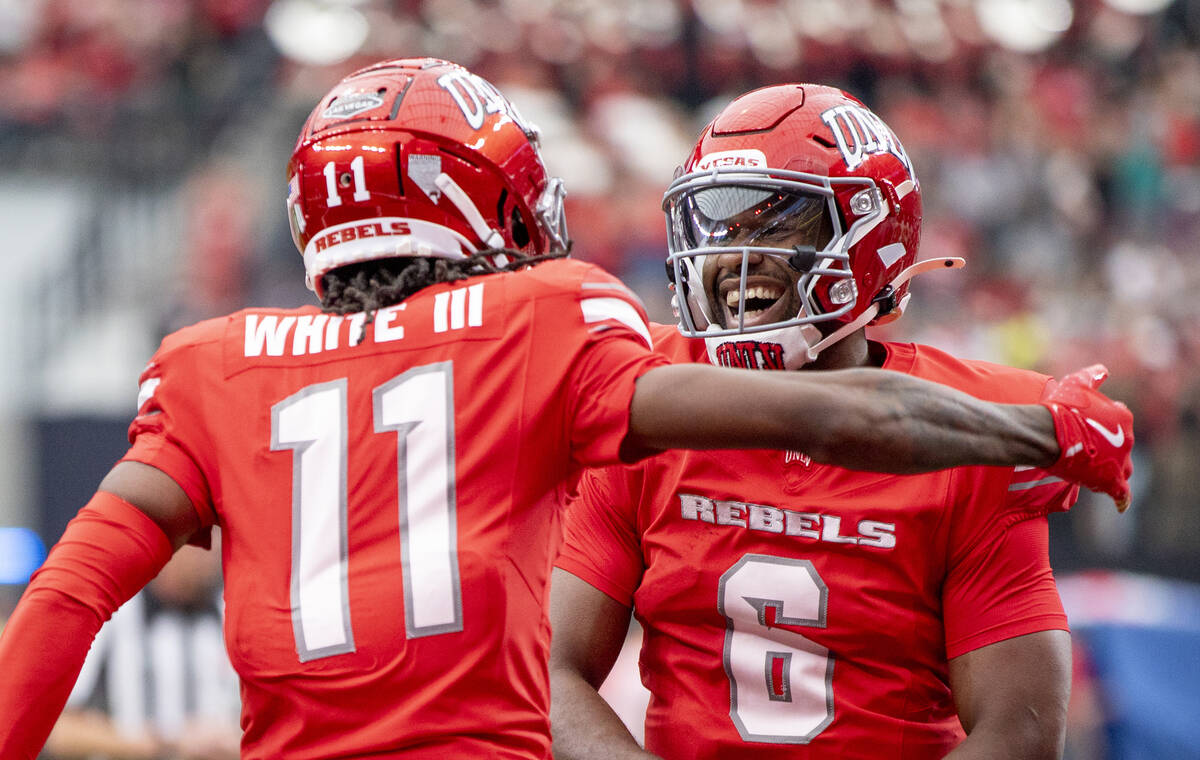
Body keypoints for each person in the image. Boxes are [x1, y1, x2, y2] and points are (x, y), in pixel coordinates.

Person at [0, 61, 1131, 760]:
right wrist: (1044, 425)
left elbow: (67, 594)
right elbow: (845, 419)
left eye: (774, 236)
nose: (738, 268)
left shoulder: (214, 360)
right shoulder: (540, 326)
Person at [548, 83, 1132, 760]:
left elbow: (1021, 729)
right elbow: (550, 670)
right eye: (722, 224)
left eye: (778, 222)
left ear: (870, 242)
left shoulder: (970, 434)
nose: (735, 254)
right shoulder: (648, 396)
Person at [44, 541, 240, 760]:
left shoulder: (235, 615)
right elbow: (58, 730)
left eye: (216, 535)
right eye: (198, 538)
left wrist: (232, 743)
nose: (208, 552)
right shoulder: (111, 615)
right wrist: (156, 746)